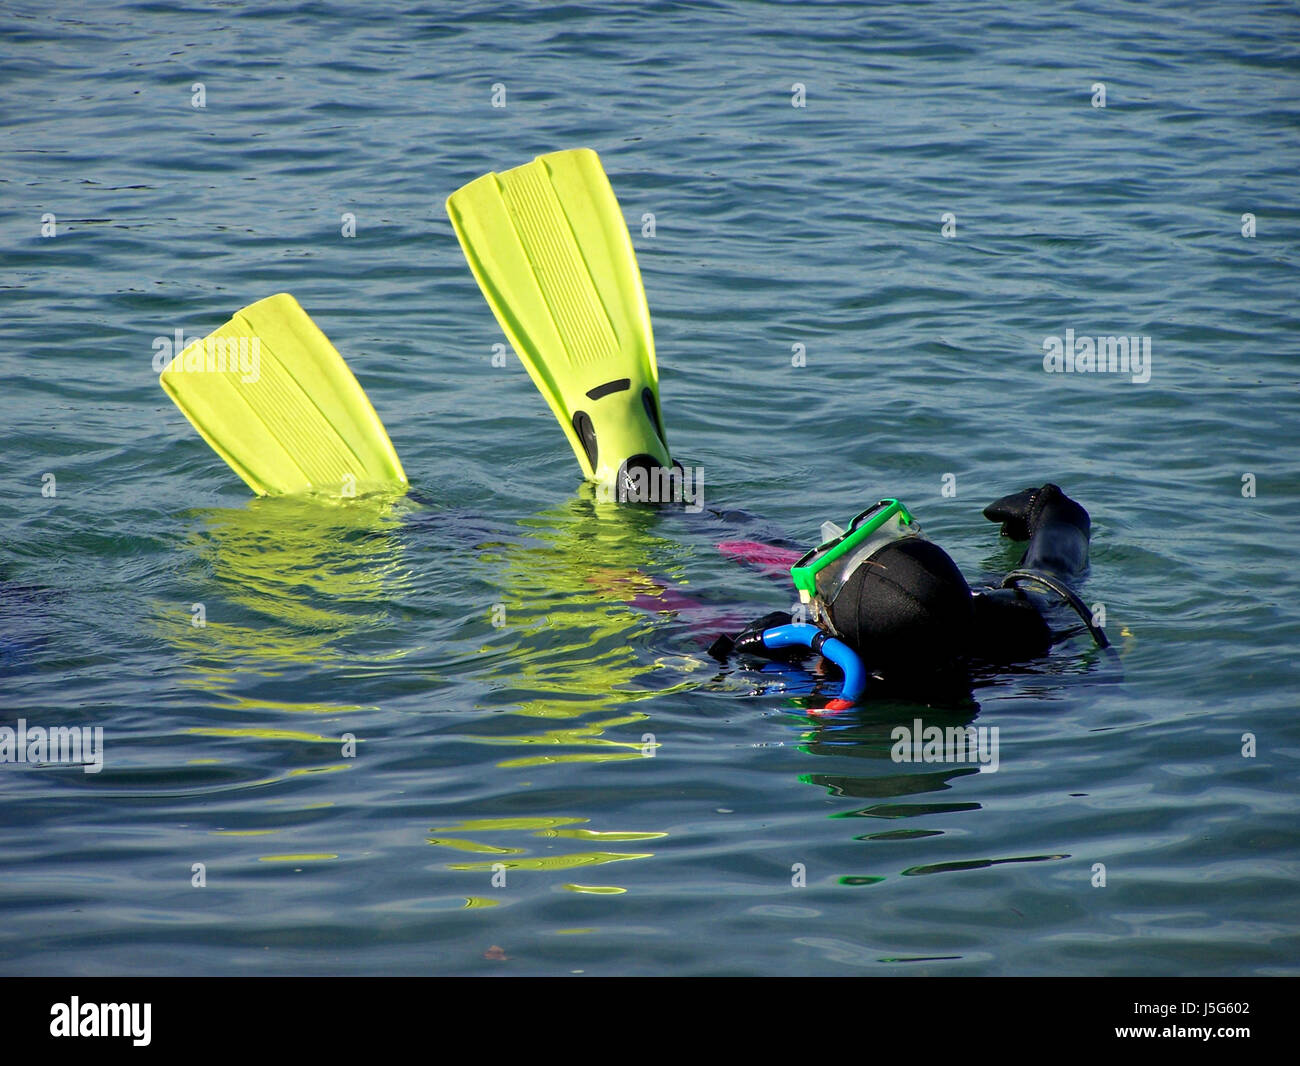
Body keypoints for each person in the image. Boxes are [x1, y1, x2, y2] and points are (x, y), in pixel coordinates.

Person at [708, 483, 1108, 710]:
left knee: (775, 554)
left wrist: (740, 651)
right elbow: (1064, 523)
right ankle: (697, 511)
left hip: (951, 607)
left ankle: (690, 511)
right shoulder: (1029, 617)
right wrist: (1045, 505)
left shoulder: (841, 676)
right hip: (976, 612)